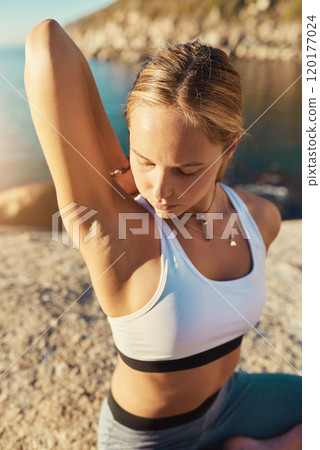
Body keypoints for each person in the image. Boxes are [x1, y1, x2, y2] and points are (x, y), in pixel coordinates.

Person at [25, 19, 302, 449]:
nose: (159, 190)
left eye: (187, 170)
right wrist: (118, 165)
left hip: (231, 399)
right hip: (149, 438)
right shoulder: (113, 233)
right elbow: (47, 42)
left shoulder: (259, 218)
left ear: (229, 148)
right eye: (146, 160)